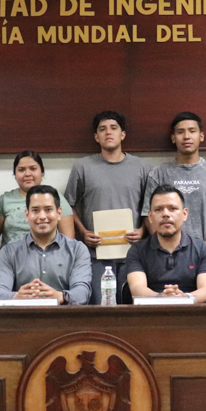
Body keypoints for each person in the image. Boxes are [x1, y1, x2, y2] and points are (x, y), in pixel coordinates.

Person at [141, 112, 206, 292]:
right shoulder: (159, 173)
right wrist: (163, 246)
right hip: (165, 262)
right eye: (180, 132)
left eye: (192, 131)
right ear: (173, 138)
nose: (186, 136)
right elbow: (148, 214)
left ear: (201, 136)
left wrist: (204, 249)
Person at [65, 111, 150, 304]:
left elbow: (151, 206)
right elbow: (68, 205)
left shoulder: (142, 167)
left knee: (132, 307)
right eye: (102, 129)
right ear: (96, 136)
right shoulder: (82, 167)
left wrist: (142, 230)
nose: (108, 133)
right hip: (96, 254)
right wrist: (83, 232)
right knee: (100, 306)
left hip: (133, 254)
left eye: (113, 128)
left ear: (123, 134)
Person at [0, 185, 92, 305]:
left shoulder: (77, 250)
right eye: (35, 210)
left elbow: (83, 293)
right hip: (21, 315)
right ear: (27, 215)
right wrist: (16, 297)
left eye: (48, 210)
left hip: (63, 315)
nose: (42, 217)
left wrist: (60, 296)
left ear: (59, 213)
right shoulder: (9, 251)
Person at [125, 186, 206, 303]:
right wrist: (161, 298)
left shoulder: (203, 249)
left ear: (184, 214)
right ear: (150, 217)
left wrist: (184, 298)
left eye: (172, 209)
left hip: (192, 311)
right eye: (158, 209)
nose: (166, 214)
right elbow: (137, 289)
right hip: (151, 311)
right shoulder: (137, 251)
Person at [0, 150, 74, 261]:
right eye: (21, 170)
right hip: (12, 263)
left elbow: (68, 240)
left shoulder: (56, 198)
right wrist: (2, 263)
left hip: (50, 264)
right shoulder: (4, 200)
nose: (27, 174)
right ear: (15, 175)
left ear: (42, 173)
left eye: (33, 169)